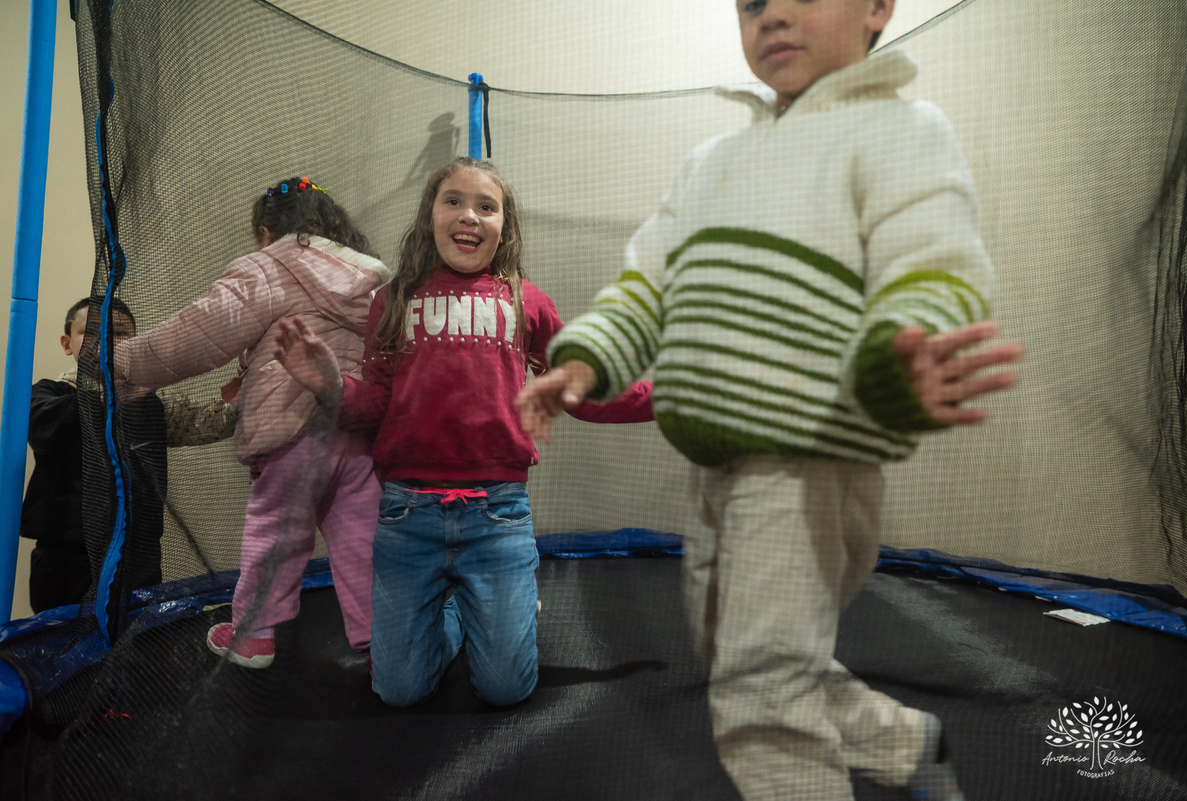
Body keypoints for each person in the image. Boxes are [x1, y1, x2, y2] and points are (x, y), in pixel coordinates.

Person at [516, 2, 1023, 799]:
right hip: (714, 467)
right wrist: (584, 361)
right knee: (745, 655)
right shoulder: (712, 161)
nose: (773, 14)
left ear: (879, 8)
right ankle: (904, 742)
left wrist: (908, 352)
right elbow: (648, 284)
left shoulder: (897, 132)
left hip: (809, 461)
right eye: (751, 2)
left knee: (760, 697)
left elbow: (930, 262)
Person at [273, 157, 655, 707]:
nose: (468, 216)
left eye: (486, 206)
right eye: (453, 201)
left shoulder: (527, 301)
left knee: (504, 689)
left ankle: (491, 607)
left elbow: (582, 392)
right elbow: (375, 405)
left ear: (505, 226)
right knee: (398, 691)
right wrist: (330, 386)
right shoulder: (393, 300)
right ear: (430, 215)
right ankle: (458, 614)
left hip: (496, 516)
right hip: (407, 517)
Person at [113, 177, 392, 668]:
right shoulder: (373, 278)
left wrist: (125, 363)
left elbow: (200, 333)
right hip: (358, 434)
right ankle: (381, 644)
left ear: (266, 232)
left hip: (293, 431)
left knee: (275, 537)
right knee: (362, 541)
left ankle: (254, 635)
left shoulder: (270, 265)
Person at [21, 297, 237, 613]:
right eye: (91, 332)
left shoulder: (149, 402)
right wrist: (106, 395)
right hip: (66, 556)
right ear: (67, 343)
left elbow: (205, 421)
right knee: (64, 643)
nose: (106, 341)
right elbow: (42, 427)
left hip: (138, 555)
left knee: (134, 643)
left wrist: (247, 401)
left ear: (135, 344)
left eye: (120, 334)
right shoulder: (49, 394)